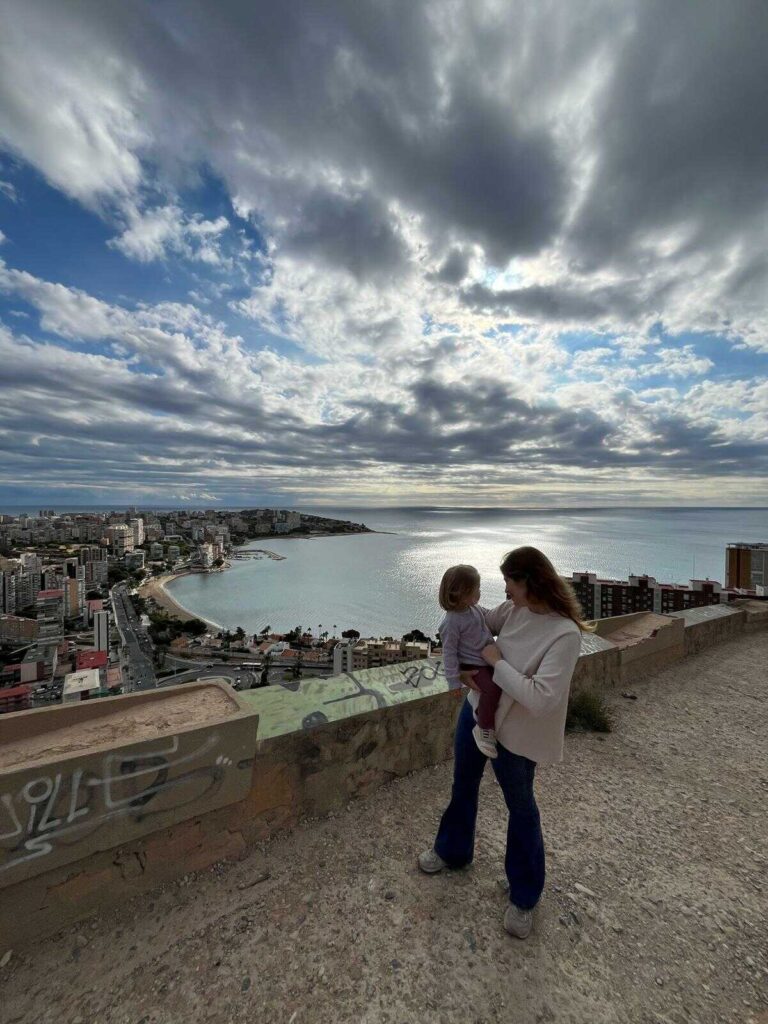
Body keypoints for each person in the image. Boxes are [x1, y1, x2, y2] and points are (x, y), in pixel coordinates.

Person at [419, 546, 592, 939]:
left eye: (509, 583)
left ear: (528, 582)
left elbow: (540, 697)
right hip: (476, 711)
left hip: (517, 733)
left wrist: (496, 663)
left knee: (522, 809)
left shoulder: (564, 633)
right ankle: (453, 851)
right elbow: (472, 619)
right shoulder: (513, 611)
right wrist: (458, 659)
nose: (505, 591)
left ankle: (524, 894)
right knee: (462, 786)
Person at [437, 564, 512, 758]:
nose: (479, 592)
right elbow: (449, 653)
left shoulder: (474, 609)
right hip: (474, 665)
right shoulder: (451, 622)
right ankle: (484, 727)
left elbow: (490, 616)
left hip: (485, 660)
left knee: (502, 684)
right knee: (492, 688)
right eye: (476, 589)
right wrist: (453, 681)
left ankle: (485, 716)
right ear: (463, 592)